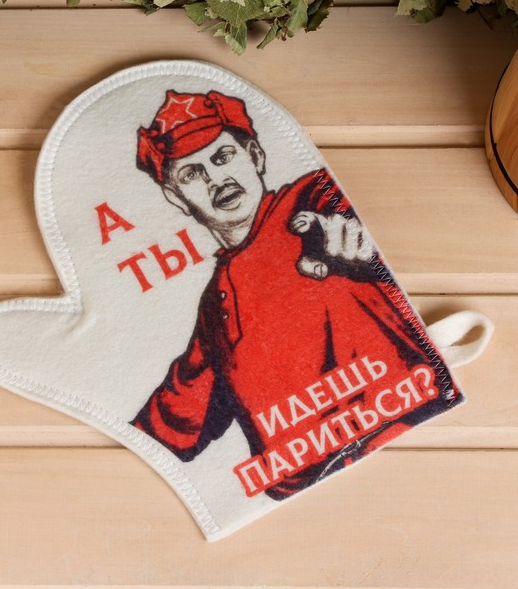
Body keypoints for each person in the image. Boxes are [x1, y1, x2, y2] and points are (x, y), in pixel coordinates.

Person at [132, 90, 455, 500]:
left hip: (416, 438)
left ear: (255, 155)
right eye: (192, 175)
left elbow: (346, 225)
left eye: (223, 157)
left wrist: (355, 252)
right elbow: (169, 426)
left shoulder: (311, 200)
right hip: (308, 501)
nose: (216, 180)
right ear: (176, 197)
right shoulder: (215, 305)